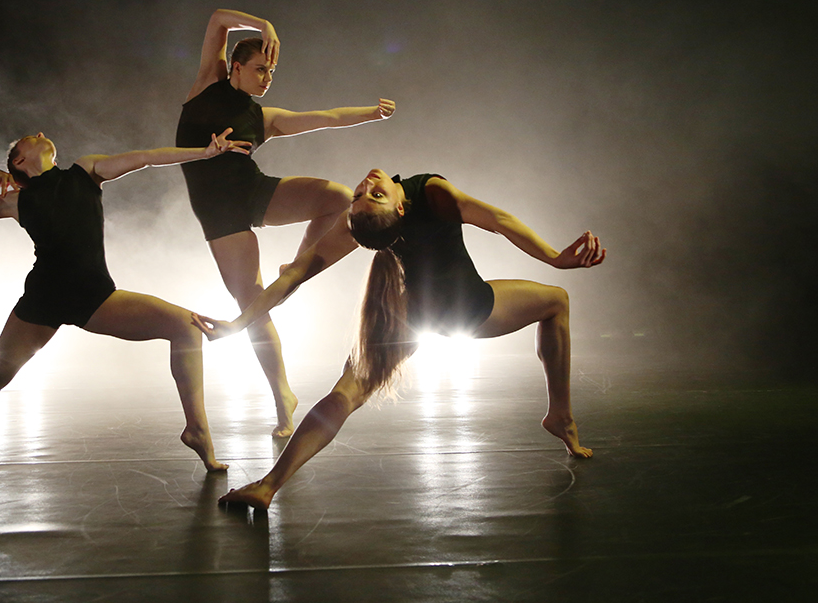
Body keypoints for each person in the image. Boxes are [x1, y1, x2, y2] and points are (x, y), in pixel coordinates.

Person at [192, 169, 606, 508]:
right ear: (401, 206)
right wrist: (554, 258)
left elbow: (296, 273)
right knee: (557, 301)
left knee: (346, 394)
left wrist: (240, 323)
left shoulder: (360, 223)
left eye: (366, 194)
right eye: (369, 196)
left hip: (406, 317)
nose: (367, 187)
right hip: (466, 311)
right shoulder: (429, 193)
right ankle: (561, 417)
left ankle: (268, 486)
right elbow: (497, 221)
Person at [0, 129, 251, 472]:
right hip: (44, 298)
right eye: (31, 137)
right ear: (19, 160)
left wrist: (203, 153)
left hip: (94, 296)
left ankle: (196, 429)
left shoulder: (85, 171)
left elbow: (147, 156)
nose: (41, 133)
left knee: (186, 327)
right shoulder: (16, 200)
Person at [177, 9, 395, 437]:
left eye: (271, 71)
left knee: (337, 198)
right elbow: (219, 18)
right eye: (260, 69)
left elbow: (325, 118)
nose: (267, 77)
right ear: (234, 68)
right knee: (254, 305)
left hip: (253, 193)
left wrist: (371, 113)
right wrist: (265, 26)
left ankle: (296, 270)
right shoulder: (207, 83)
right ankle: (283, 396)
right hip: (218, 212)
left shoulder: (264, 117)